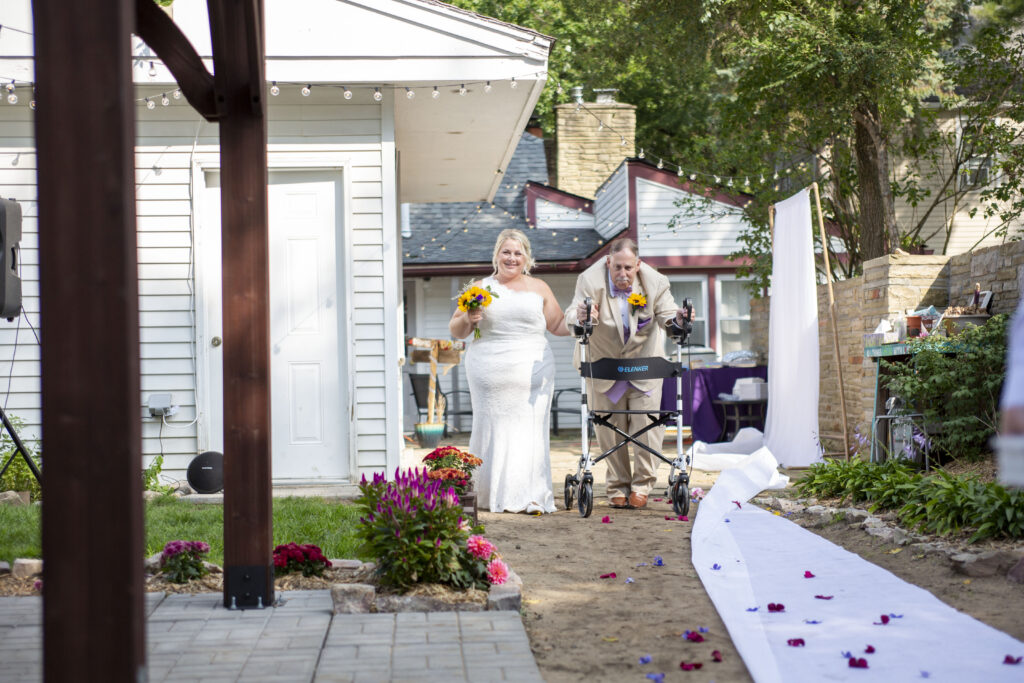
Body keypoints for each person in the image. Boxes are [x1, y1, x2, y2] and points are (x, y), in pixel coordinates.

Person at [449, 228, 570, 513]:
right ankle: (489, 494)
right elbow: (456, 329)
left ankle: (530, 495)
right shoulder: (479, 287)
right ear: (496, 255)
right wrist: (468, 317)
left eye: (518, 253)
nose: (512, 258)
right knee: (492, 428)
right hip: (489, 369)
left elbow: (558, 325)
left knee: (530, 431)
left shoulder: (539, 287)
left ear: (527, 257)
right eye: (506, 252)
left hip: (534, 372)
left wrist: (583, 321)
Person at [563, 237, 689, 509]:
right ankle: (617, 485)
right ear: (608, 262)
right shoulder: (589, 280)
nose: (622, 274)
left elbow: (669, 316)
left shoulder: (655, 282)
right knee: (611, 429)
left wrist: (678, 320)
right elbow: (572, 313)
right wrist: (582, 315)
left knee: (647, 427)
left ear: (638, 265)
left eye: (628, 268)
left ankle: (643, 485)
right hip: (603, 363)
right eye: (617, 267)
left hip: (644, 365)